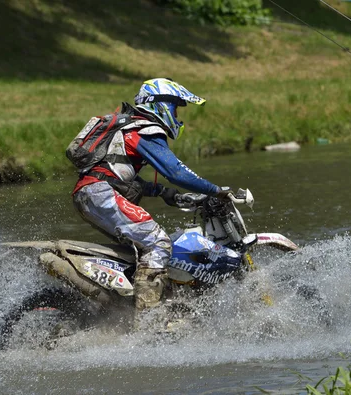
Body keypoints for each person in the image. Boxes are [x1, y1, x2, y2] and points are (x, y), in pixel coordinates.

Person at [72, 78, 231, 313]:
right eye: (176, 109)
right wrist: (217, 190)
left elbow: (117, 175)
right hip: (101, 194)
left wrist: (166, 193)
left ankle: (121, 309)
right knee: (158, 243)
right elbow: (176, 172)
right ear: (162, 105)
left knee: (140, 249)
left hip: (92, 193)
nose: (177, 118)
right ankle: (148, 318)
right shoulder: (145, 129)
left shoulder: (129, 126)